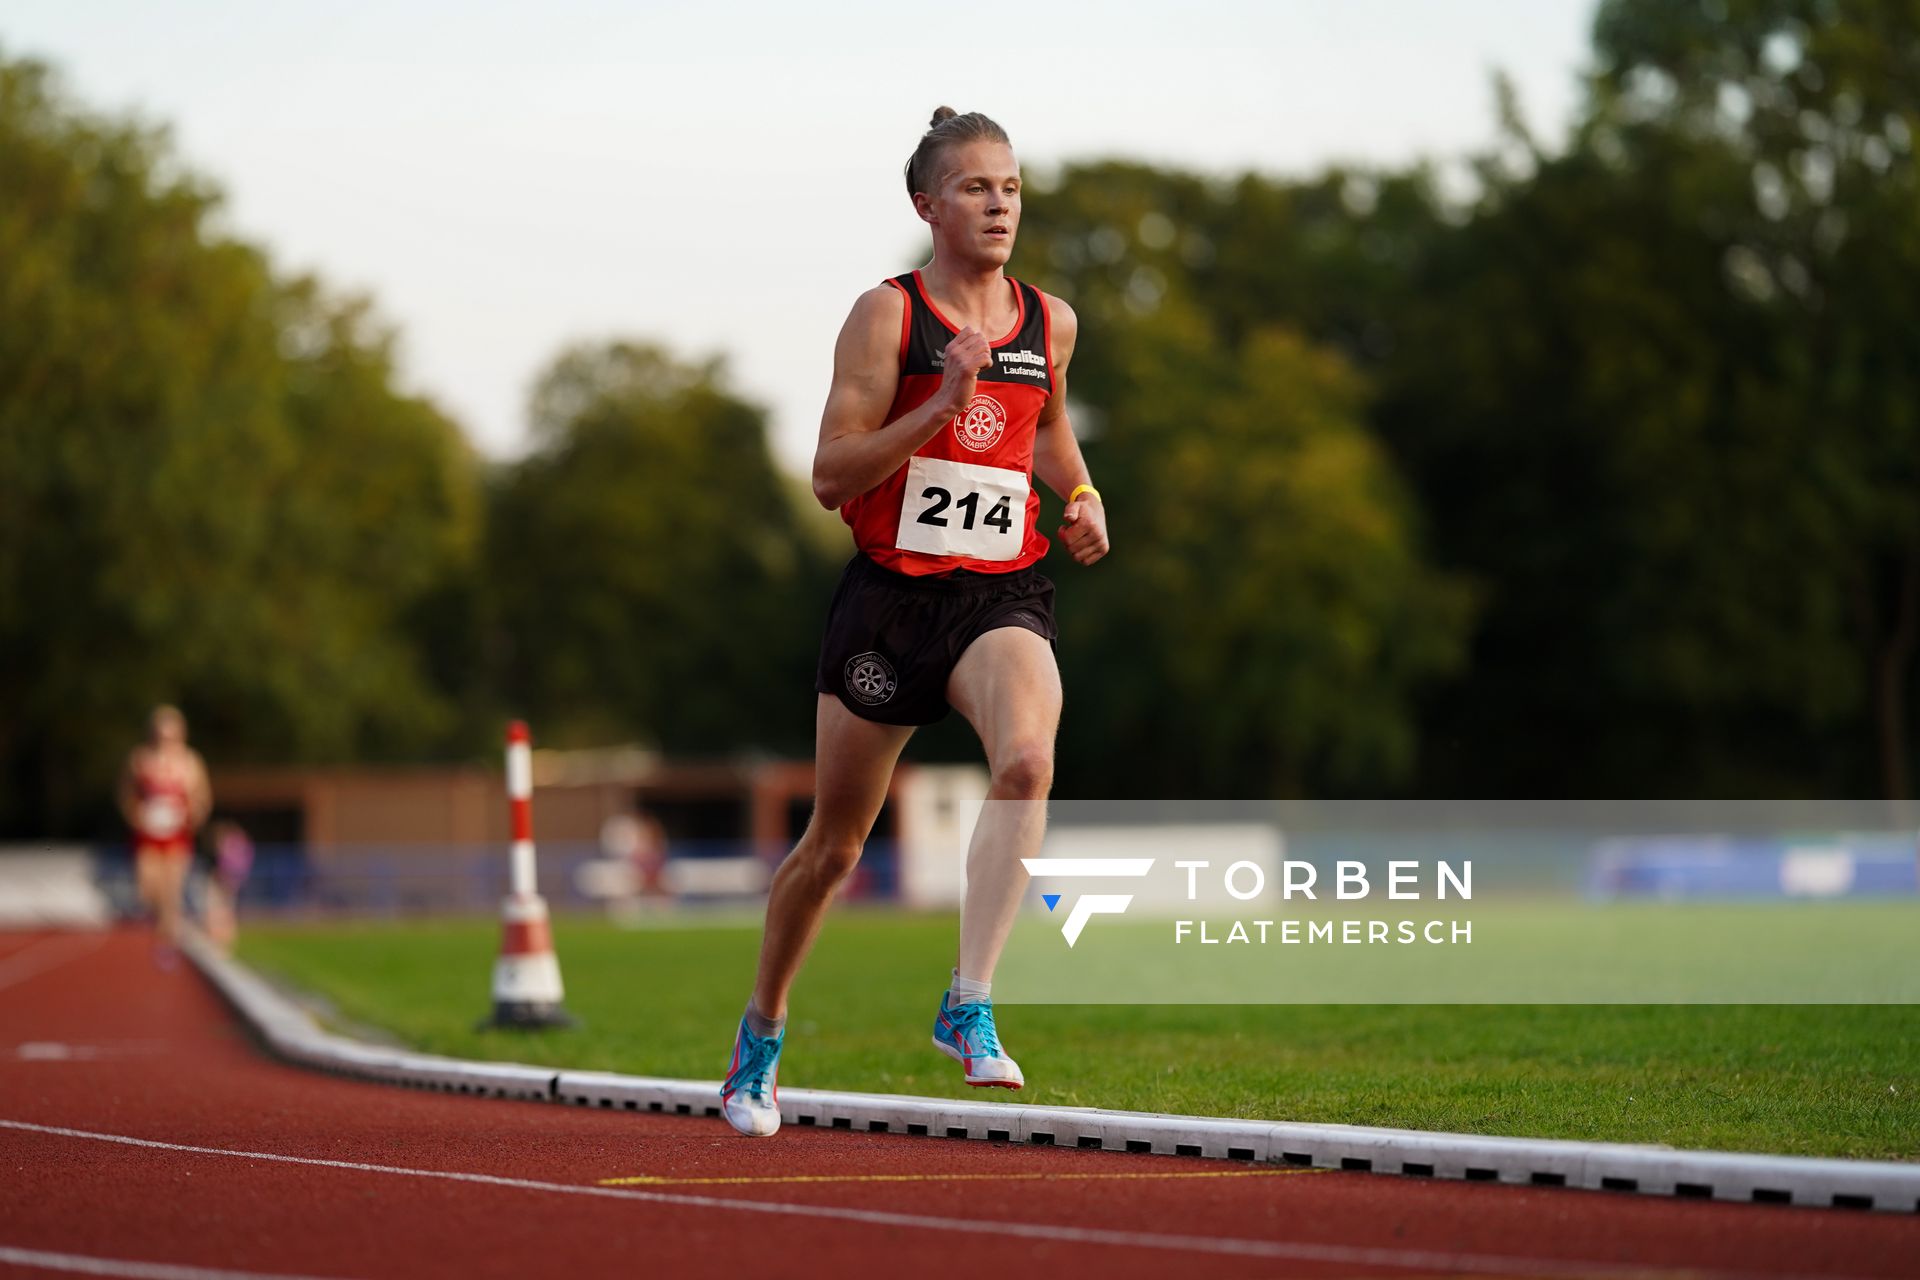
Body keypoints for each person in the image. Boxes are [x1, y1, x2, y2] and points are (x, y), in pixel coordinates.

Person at [721, 107, 1109, 1137]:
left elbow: (1051, 436)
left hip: (1000, 592)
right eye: (978, 187)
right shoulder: (886, 318)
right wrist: (941, 403)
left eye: (1013, 187)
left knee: (1028, 758)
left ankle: (968, 999)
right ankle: (762, 1031)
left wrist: (1083, 498)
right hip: (891, 601)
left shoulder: (1050, 321)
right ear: (927, 204)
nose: (1000, 204)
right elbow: (827, 475)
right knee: (835, 848)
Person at [117, 706, 212, 961]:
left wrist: (194, 815)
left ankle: (167, 942)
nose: (165, 741)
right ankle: (164, 926)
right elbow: (125, 793)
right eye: (160, 735)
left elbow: (203, 797)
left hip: (177, 835)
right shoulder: (139, 759)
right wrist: (134, 815)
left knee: (172, 891)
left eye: (171, 736)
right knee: (147, 889)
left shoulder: (191, 762)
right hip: (147, 835)